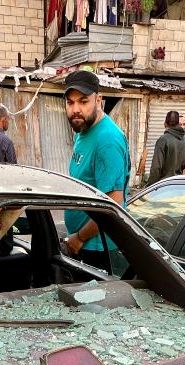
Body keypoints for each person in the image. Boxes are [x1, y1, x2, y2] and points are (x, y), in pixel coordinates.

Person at [61, 70, 131, 272]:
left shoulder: (107, 140)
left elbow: (113, 206)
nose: (76, 109)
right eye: (70, 102)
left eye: (83, 101)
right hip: (82, 244)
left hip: (97, 248)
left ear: (98, 100)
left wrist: (80, 237)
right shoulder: (83, 130)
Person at [146, 110, 185, 185]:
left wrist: (150, 186)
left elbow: (156, 167)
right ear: (177, 123)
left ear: (165, 123)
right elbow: (184, 164)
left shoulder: (163, 140)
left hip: (163, 185)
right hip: (177, 183)